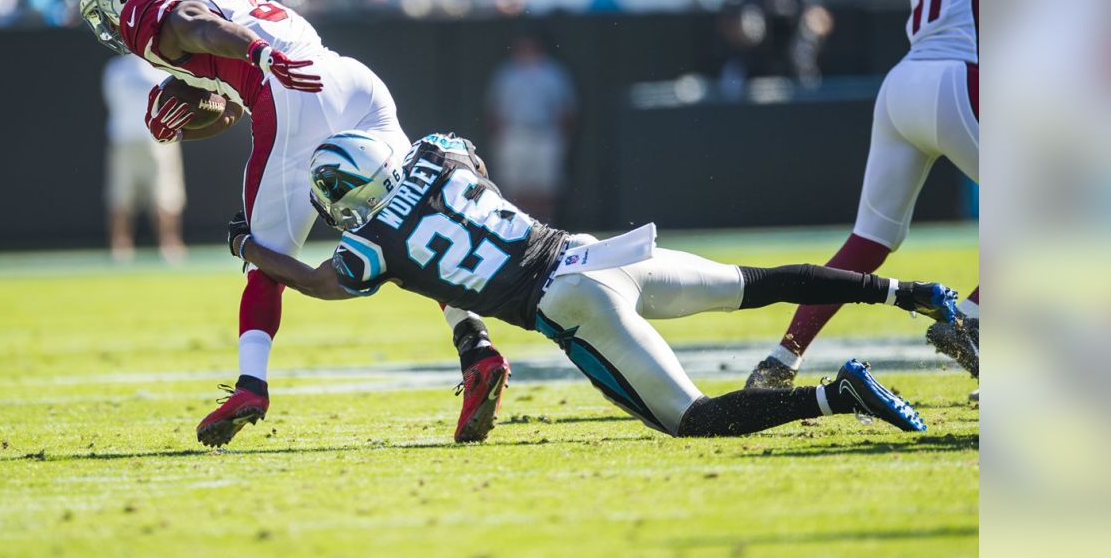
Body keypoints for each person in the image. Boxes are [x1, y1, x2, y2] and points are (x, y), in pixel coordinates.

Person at [224, 131, 970, 438]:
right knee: (758, 280)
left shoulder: (371, 243)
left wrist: (251, 245)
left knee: (691, 420)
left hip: (571, 302)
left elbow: (319, 282)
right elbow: (471, 162)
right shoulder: (435, 154)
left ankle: (840, 394)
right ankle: (910, 294)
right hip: (604, 252)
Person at [77, 0, 511, 447]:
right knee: (408, 221)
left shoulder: (156, 7)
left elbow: (196, 25)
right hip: (349, 79)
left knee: (265, 260)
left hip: (289, 93)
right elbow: (229, 103)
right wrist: (192, 118)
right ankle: (476, 348)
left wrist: (257, 54)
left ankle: (250, 385)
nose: (110, 20)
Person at [746, 0, 980, 395]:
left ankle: (782, 357)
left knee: (867, 242)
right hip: (958, 78)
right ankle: (970, 320)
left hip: (904, 86)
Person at [101, 53, 187, 263]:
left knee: (166, 195)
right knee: (120, 196)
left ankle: (169, 243)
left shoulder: (162, 68)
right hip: (123, 140)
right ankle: (120, 245)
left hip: (159, 143)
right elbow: (111, 100)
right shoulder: (116, 68)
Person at [484, 32, 577, 223]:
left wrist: (561, 137)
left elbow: (565, 108)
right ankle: (517, 227)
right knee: (515, 185)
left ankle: (546, 225)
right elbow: (496, 108)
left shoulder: (553, 73)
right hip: (515, 133)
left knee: (545, 185)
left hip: (544, 132)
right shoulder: (508, 73)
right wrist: (499, 137)